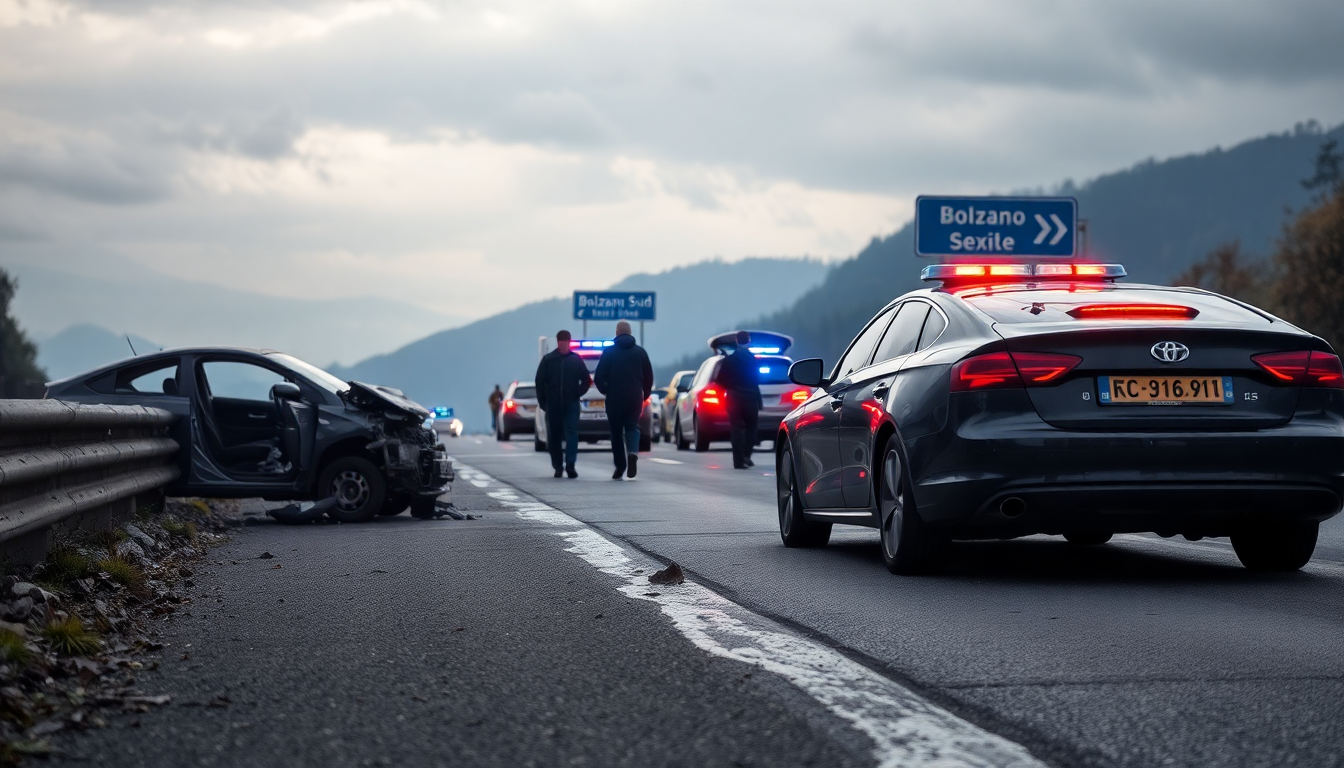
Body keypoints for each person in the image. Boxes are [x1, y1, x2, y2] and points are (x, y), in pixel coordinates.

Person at [594, 320, 654, 480]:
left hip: (615, 398)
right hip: (634, 396)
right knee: (632, 427)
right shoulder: (640, 352)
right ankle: (633, 453)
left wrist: (606, 390)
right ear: (630, 333)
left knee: (616, 432)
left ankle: (620, 467)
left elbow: (599, 376)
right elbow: (648, 376)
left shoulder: (609, 353)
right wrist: (645, 393)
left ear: (616, 333)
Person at [534, 330, 590, 478]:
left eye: (566, 342)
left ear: (569, 342)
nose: (564, 345)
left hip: (571, 404)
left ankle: (570, 465)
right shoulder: (549, 360)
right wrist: (543, 402)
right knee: (554, 436)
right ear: (558, 342)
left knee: (571, 433)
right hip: (553, 405)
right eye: (561, 342)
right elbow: (539, 382)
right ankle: (558, 466)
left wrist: (578, 393)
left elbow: (586, 380)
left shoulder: (575, 360)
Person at [716, 330, 762, 469]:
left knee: (736, 428)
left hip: (734, 397)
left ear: (737, 341)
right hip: (750, 396)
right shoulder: (753, 359)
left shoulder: (729, 360)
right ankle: (747, 455)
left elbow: (720, 380)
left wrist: (730, 387)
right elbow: (757, 379)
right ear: (748, 341)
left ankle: (738, 461)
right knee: (751, 427)